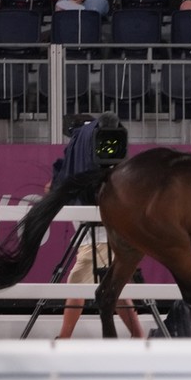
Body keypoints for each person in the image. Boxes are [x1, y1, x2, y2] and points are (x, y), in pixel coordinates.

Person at [53, 115, 144, 340]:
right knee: (114, 288)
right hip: (102, 237)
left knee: (76, 285)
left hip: (103, 236)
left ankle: (63, 339)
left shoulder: (108, 168)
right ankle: (138, 335)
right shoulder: (77, 165)